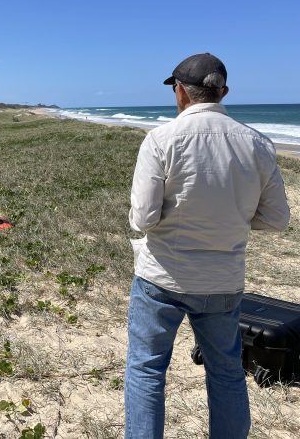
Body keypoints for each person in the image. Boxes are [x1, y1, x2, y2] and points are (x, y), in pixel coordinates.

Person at [124, 53, 290, 438]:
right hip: (223, 280)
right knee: (227, 372)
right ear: (223, 92)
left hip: (161, 277)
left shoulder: (161, 140)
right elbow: (277, 219)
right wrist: (231, 218)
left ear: (179, 92)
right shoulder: (259, 144)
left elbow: (144, 218)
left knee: (146, 370)